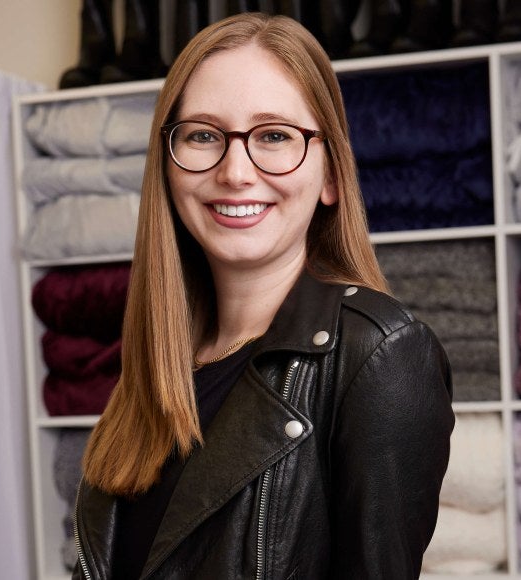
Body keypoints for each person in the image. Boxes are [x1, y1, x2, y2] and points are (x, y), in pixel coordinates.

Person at [72, 11, 454, 579]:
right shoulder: (157, 361)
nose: (235, 171)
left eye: (274, 135)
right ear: (167, 166)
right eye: (203, 135)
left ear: (330, 175)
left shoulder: (381, 356)